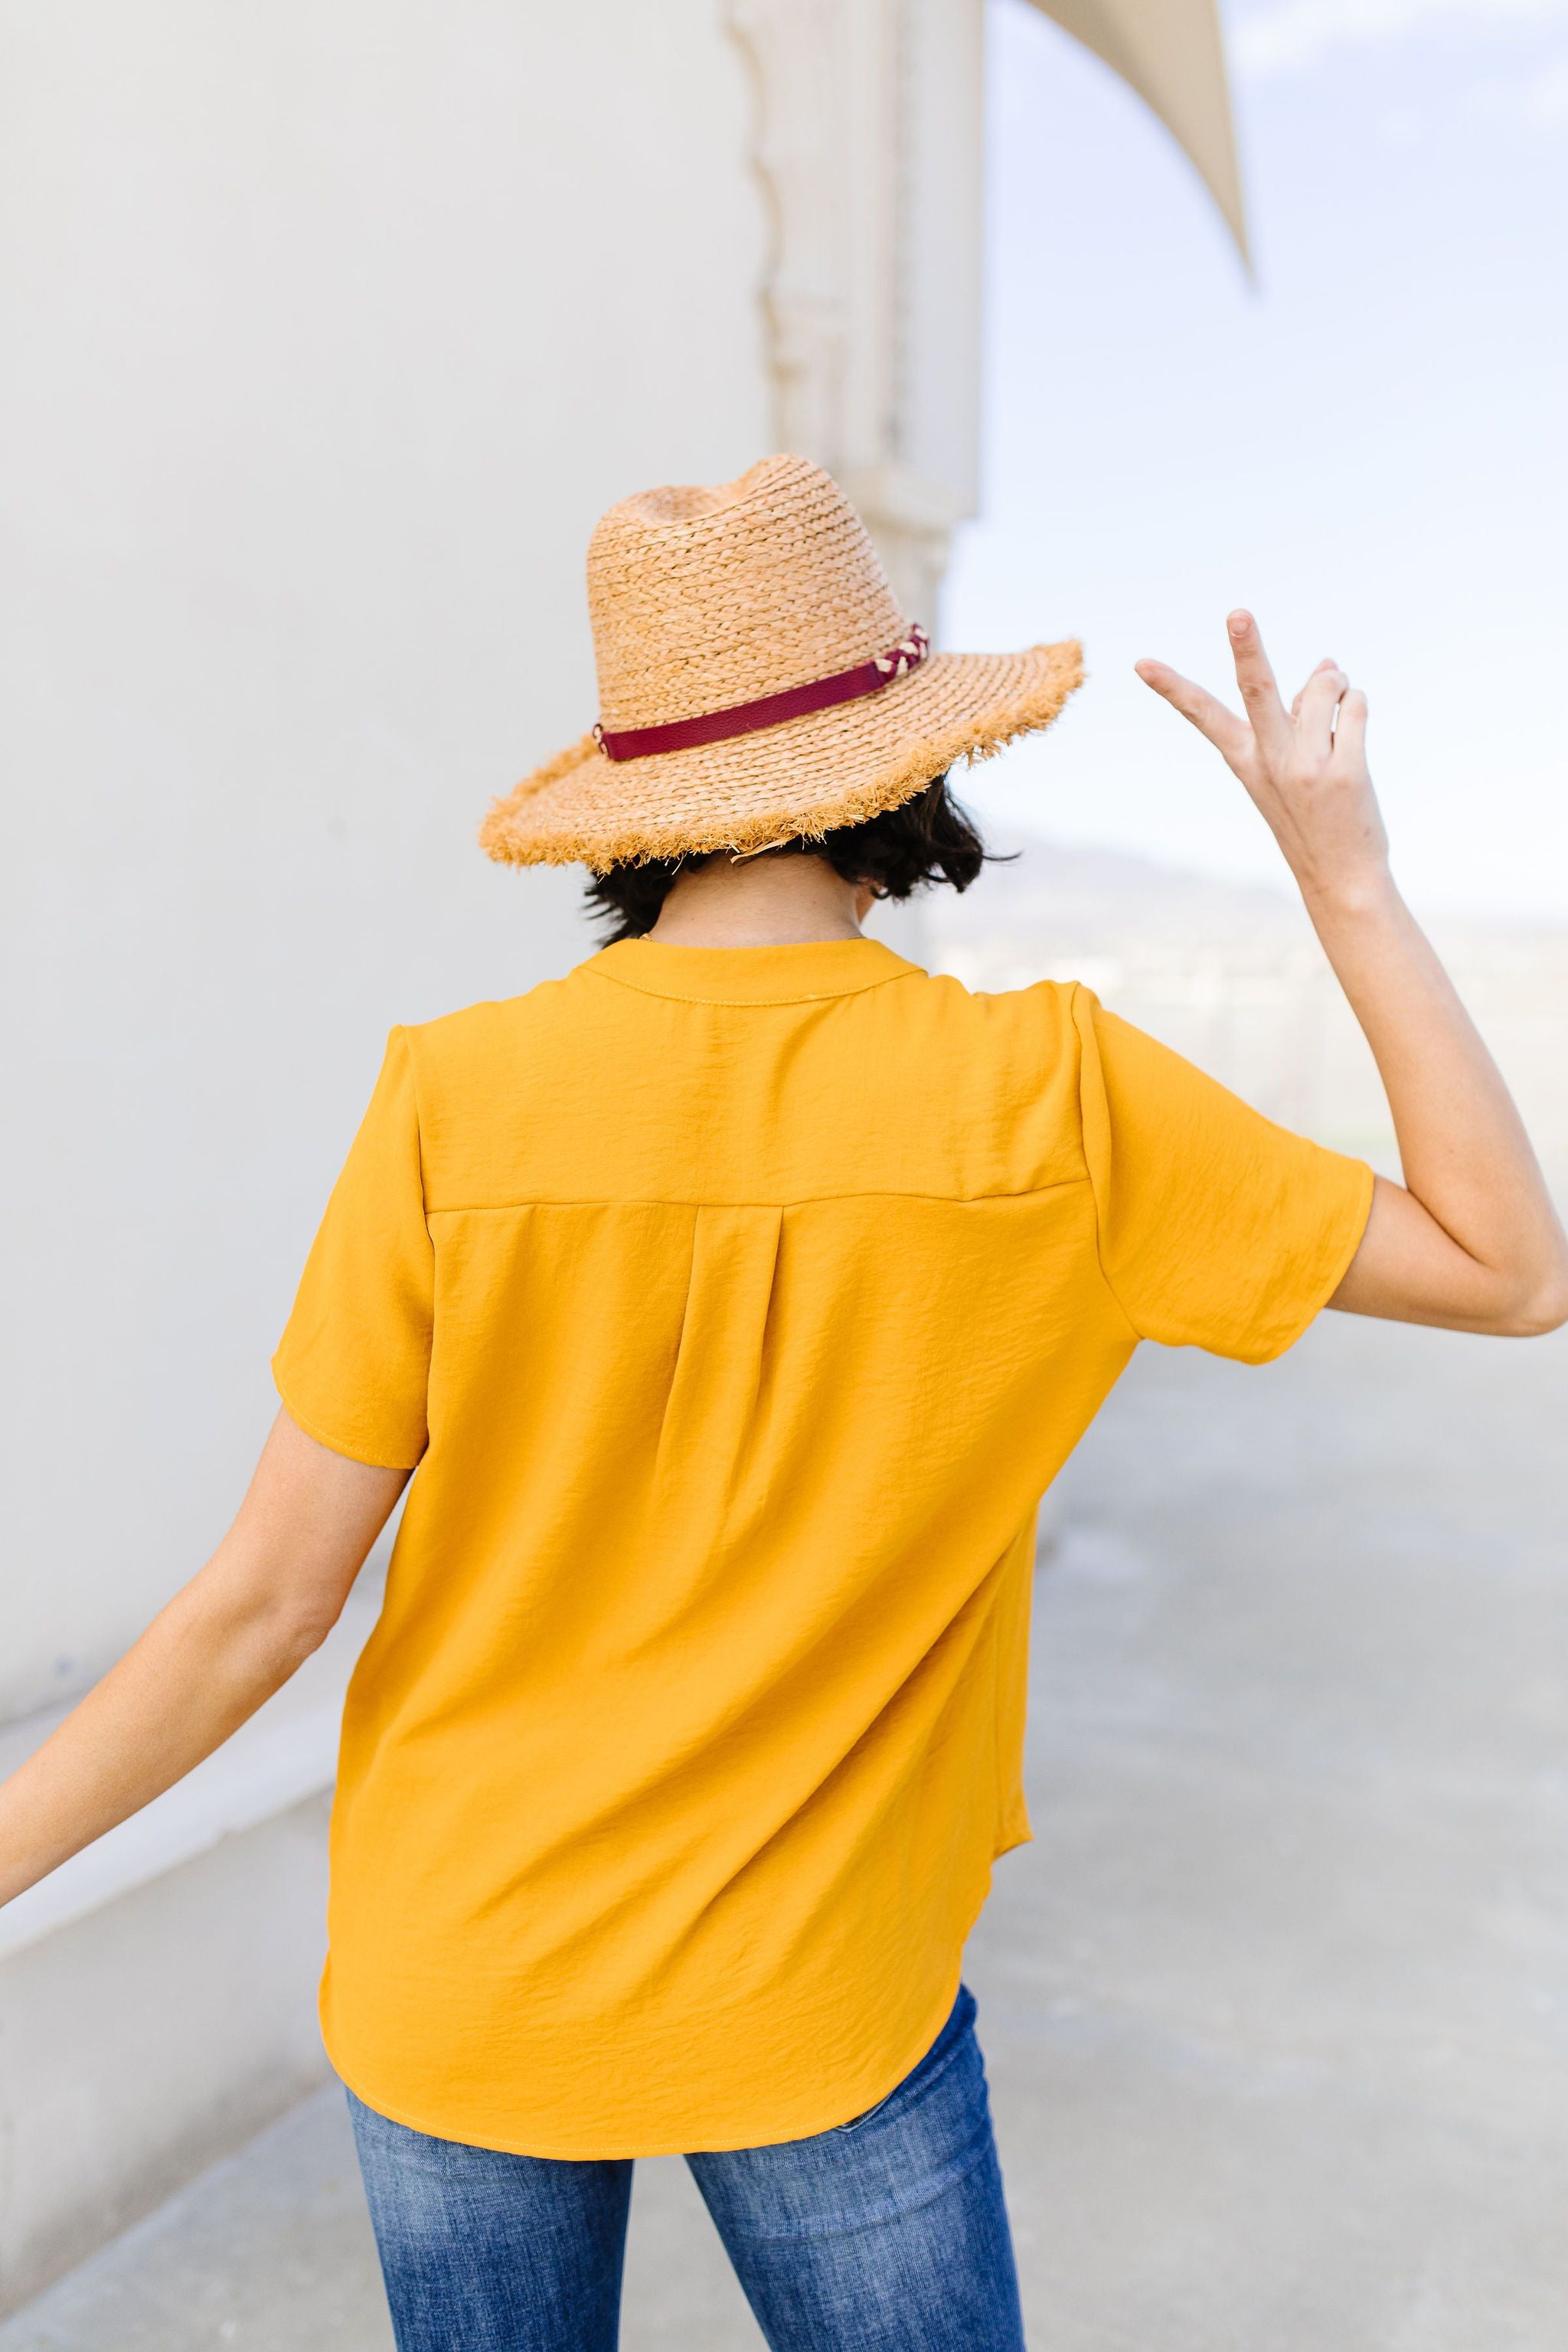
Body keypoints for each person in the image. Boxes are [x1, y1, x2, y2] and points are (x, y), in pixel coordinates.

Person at [2, 455, 1563, 2352]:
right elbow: (1511, 1272)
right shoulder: (1059, 1103)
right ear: (905, 764)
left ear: (637, 799)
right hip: (819, 1991)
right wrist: (1350, 882)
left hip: (461, 1965)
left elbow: (261, 1604)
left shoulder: (454, 1102)